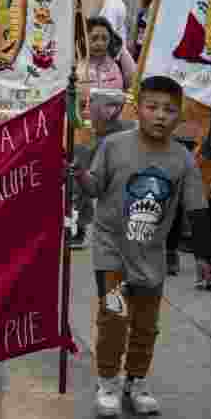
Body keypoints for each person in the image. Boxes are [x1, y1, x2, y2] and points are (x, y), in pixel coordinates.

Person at [75, 75, 209, 417]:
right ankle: (108, 381)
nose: (160, 115)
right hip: (111, 250)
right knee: (115, 316)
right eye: (152, 107)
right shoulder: (114, 145)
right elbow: (94, 188)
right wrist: (78, 176)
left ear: (180, 114)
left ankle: (136, 380)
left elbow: (196, 208)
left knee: (146, 324)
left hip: (151, 255)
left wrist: (207, 256)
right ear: (138, 109)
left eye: (169, 109)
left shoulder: (183, 159)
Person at [71, 17, 138, 250]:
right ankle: (77, 227)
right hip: (83, 130)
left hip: (112, 131)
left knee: (112, 181)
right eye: (94, 38)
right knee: (79, 180)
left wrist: (123, 100)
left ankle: (117, 229)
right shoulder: (75, 60)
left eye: (104, 38)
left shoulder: (119, 59)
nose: (99, 43)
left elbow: (135, 85)